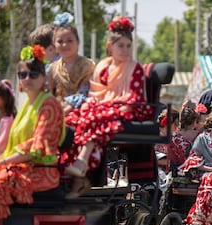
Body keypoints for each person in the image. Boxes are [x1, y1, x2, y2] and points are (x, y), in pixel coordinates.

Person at [0, 44, 65, 225]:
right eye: (22, 74)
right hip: (22, 168)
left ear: (44, 77)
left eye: (33, 74)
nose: (27, 78)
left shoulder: (48, 104)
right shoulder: (27, 104)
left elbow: (35, 149)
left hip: (40, 172)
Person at [62, 16, 151, 197]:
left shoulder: (135, 68)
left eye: (128, 45)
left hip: (129, 109)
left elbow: (135, 98)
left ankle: (83, 160)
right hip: (104, 105)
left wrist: (109, 105)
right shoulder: (103, 66)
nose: (125, 50)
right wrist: (95, 104)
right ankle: (74, 179)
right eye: (121, 46)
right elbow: (96, 93)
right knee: (72, 120)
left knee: (98, 115)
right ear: (110, 47)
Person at [48, 12, 95, 115]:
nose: (65, 45)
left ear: (78, 42)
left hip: (81, 112)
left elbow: (85, 94)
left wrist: (66, 111)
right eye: (60, 41)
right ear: (54, 45)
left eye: (70, 41)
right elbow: (49, 94)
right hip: (57, 113)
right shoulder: (53, 68)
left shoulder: (87, 65)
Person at [166, 105, 199, 173]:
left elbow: (171, 157)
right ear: (194, 121)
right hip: (194, 168)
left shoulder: (174, 136)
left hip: (177, 169)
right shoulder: (199, 135)